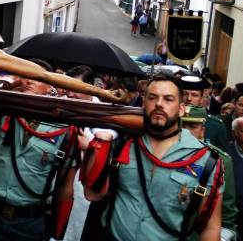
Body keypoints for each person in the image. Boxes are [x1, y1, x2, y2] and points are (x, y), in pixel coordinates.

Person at [82, 75, 223, 241]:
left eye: (168, 99)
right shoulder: (122, 144)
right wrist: (101, 141)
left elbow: (210, 227)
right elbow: (92, 195)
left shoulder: (205, 160)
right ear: (143, 103)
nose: (159, 104)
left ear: (181, 109)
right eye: (152, 97)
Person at [0, 68, 77, 240]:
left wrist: (57, 228)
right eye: (25, 77)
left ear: (50, 87)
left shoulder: (65, 129)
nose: (29, 81)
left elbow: (66, 185)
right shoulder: (3, 114)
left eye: (36, 78)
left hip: (29, 221)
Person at [181, 105, 238, 241]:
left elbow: (227, 217)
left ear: (203, 130)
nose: (186, 132)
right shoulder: (164, 154)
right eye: (182, 126)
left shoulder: (221, 160)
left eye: (193, 126)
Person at [182, 75, 229, 152]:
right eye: (185, 94)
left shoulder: (217, 126)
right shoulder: (169, 121)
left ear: (201, 98)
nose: (189, 99)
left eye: (194, 95)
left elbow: (221, 159)